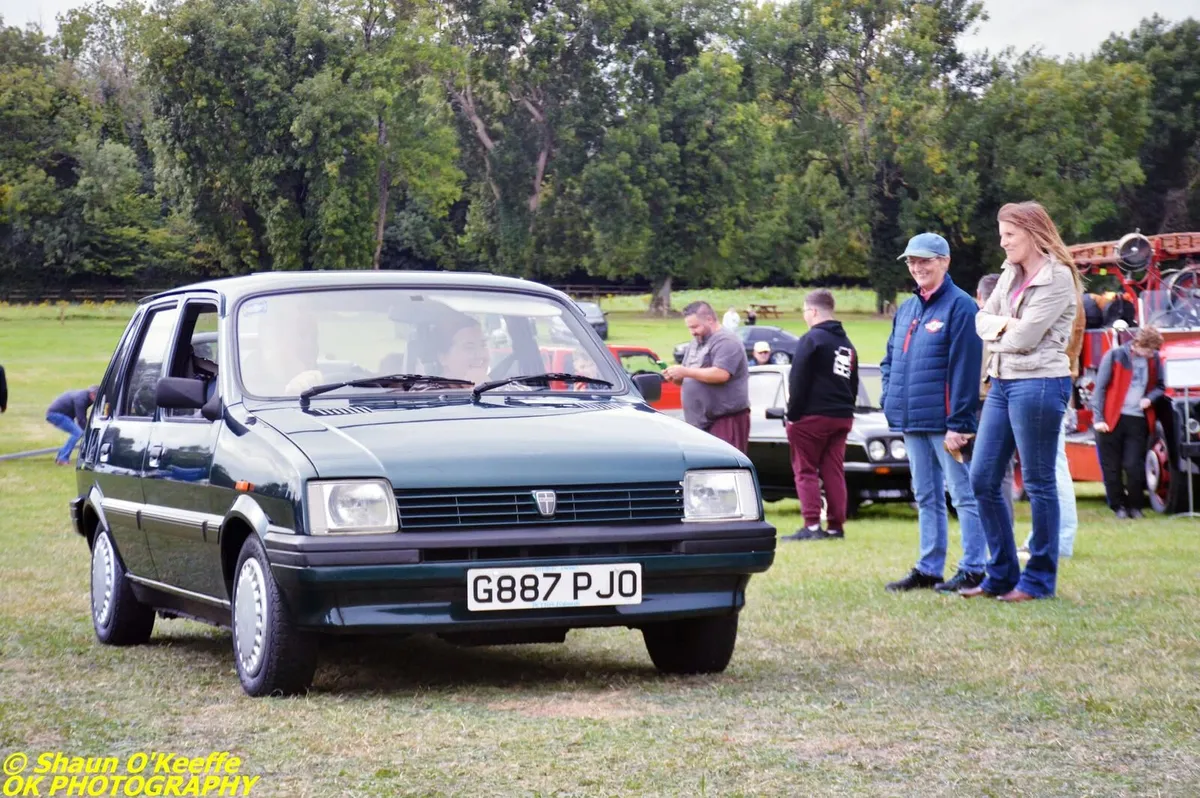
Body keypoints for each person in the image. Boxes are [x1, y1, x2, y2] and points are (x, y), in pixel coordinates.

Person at [965, 201, 1082, 602]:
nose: (1004, 243)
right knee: (981, 478)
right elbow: (981, 319)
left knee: (1038, 482)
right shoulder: (1009, 273)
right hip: (1001, 381)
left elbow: (1024, 338)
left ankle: (1038, 580)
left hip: (1040, 384)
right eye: (1002, 235)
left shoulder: (1058, 277)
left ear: (1033, 233)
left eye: (1010, 236)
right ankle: (1000, 574)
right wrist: (1004, 326)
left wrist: (1002, 327)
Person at [880, 232, 986, 594]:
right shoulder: (908, 308)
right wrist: (888, 399)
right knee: (924, 495)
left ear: (944, 261)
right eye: (911, 261)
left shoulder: (961, 306)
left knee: (963, 496)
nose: (917, 267)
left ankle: (975, 567)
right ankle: (929, 568)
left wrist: (960, 423)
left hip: (945, 425)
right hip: (912, 421)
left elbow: (965, 369)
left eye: (924, 260)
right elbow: (890, 358)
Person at [780, 289, 858, 541]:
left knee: (805, 470)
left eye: (804, 311)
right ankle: (836, 527)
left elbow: (798, 379)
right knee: (833, 471)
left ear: (812, 311)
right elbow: (852, 382)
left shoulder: (812, 339)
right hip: (841, 415)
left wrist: (792, 415)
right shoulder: (846, 344)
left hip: (812, 416)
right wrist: (847, 409)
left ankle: (812, 525)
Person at [1090, 326, 1165, 519]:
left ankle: (1136, 506)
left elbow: (1160, 386)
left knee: (1133, 465)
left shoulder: (1154, 360)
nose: (1151, 354)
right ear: (1138, 345)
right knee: (1111, 466)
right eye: (1148, 350)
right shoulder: (1115, 356)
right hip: (1111, 419)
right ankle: (1118, 506)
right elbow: (1100, 389)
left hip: (1137, 418)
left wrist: (1150, 398)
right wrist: (1098, 418)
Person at [663, 301, 751, 452]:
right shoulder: (696, 343)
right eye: (689, 327)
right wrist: (676, 376)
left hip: (725, 419)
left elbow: (721, 374)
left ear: (710, 319)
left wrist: (685, 372)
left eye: (695, 326)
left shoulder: (726, 341)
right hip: (699, 422)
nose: (692, 332)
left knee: (724, 468)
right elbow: (687, 377)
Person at [46, 385, 98, 466]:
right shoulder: (81, 399)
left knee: (78, 432)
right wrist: (87, 431)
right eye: (97, 397)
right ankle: (62, 458)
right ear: (92, 394)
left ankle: (61, 456)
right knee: (78, 433)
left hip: (63, 415)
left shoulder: (85, 397)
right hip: (55, 414)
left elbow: (83, 417)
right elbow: (80, 418)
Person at [434, 315, 491, 385]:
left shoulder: (503, 390)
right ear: (443, 358)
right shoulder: (429, 393)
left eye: (483, 345)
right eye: (469, 347)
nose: (480, 354)